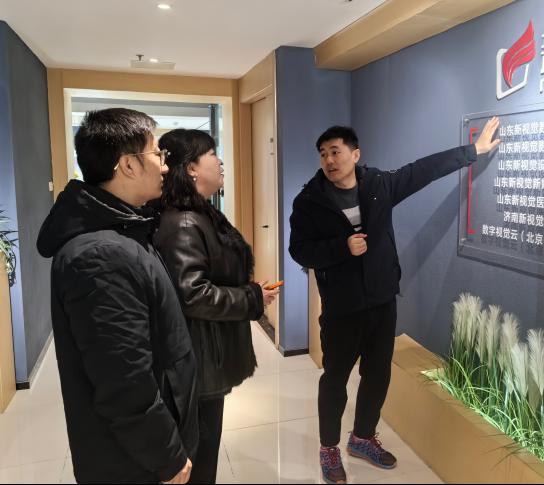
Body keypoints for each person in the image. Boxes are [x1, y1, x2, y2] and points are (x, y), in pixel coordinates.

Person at [289, 118, 501, 484]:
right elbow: (299, 250)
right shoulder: (309, 201)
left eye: (335, 152)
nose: (329, 160)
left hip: (382, 299)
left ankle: (362, 438)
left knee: (377, 374)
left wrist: (473, 151)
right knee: (335, 379)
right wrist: (341, 248)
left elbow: (423, 171)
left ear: (355, 154)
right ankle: (329, 448)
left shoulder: (378, 185)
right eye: (323, 154)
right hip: (342, 308)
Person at [36, 108, 198, 484]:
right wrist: (167, 457)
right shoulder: (101, 256)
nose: (164, 166)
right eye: (157, 154)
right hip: (134, 464)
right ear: (127, 165)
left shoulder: (125, 229)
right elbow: (124, 381)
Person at [153, 129, 280, 484]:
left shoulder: (198, 213)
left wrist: (251, 292)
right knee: (198, 460)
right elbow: (192, 294)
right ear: (191, 167)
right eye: (212, 153)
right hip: (198, 361)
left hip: (204, 356)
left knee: (202, 454)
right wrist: (251, 298)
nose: (220, 161)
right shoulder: (185, 221)